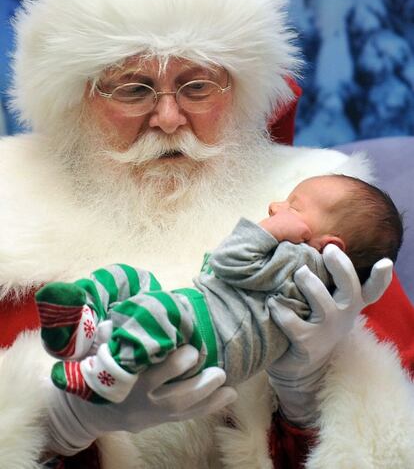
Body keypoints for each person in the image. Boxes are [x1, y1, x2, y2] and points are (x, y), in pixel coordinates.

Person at [0, 0, 413, 469]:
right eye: (133, 89)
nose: (169, 119)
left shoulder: (321, 204)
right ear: (77, 99)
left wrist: (309, 395)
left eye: (197, 87)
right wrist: (57, 425)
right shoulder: (10, 204)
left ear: (239, 92)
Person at [35, 174, 403, 406]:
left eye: (293, 206)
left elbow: (229, 262)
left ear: (327, 244)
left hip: (210, 338)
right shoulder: (299, 261)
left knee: (153, 310)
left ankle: (108, 373)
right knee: (132, 279)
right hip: (200, 310)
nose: (276, 206)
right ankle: (83, 328)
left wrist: (267, 230)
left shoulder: (301, 262)